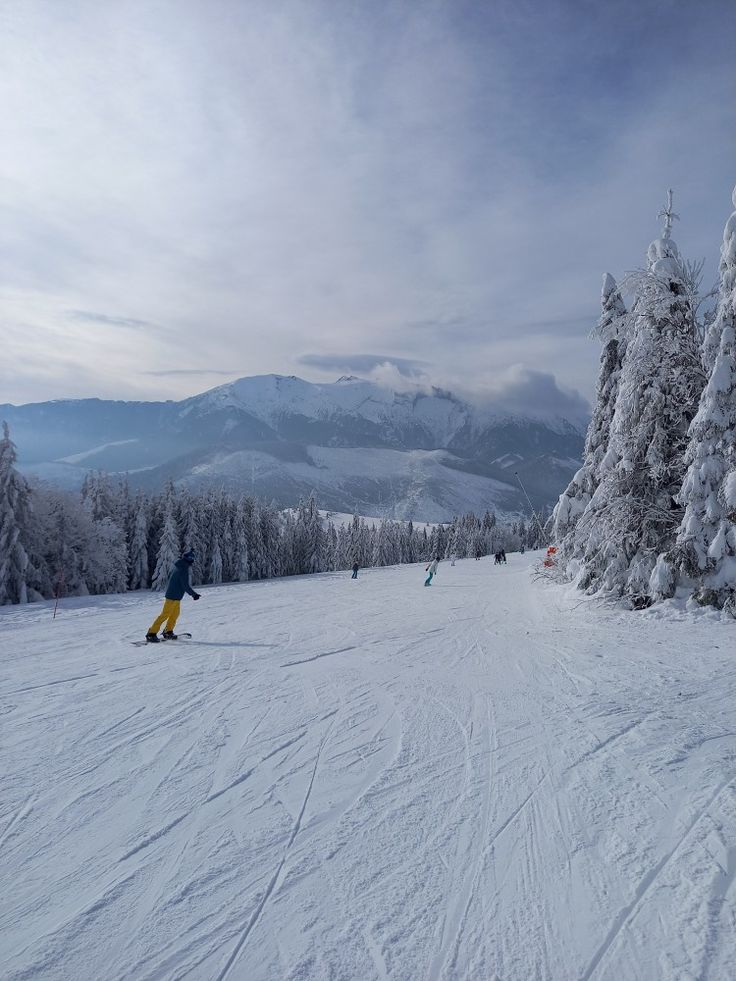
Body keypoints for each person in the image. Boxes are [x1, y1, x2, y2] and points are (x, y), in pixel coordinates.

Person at [146, 550, 200, 642]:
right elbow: (185, 585)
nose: (193, 561)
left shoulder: (180, 566)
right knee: (165, 614)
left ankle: (168, 631)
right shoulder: (182, 569)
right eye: (192, 559)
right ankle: (151, 633)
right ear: (189, 559)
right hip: (172, 596)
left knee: (175, 614)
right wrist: (193, 594)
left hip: (176, 596)